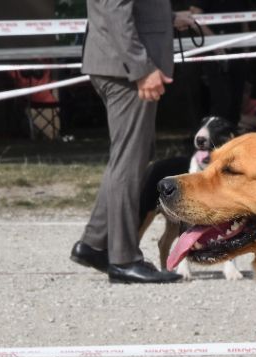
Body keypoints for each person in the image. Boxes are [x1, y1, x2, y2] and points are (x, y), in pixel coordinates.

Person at [70, 0, 194, 284]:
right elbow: (114, 11)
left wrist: (169, 17)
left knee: (132, 155)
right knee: (130, 160)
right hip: (125, 69)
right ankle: (124, 259)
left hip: (119, 64)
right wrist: (141, 68)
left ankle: (94, 244)